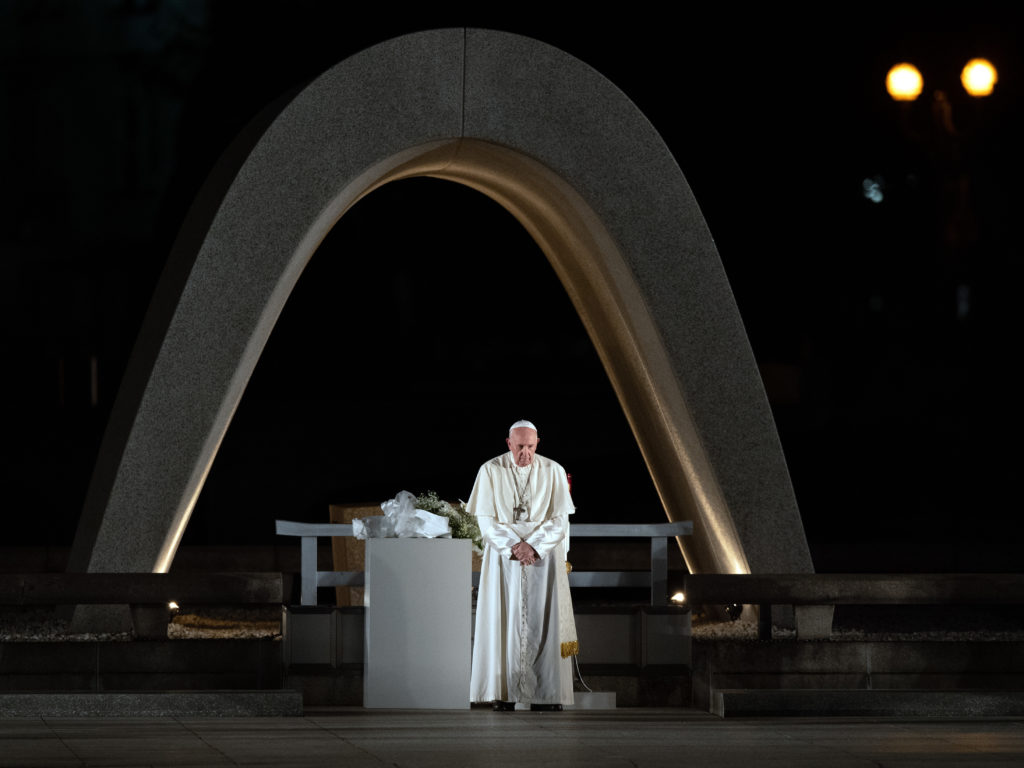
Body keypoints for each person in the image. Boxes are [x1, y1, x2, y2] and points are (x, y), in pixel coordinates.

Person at [468, 420, 578, 711]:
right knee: (504, 619)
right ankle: (503, 692)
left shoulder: (553, 470)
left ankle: (546, 695)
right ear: (508, 443)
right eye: (519, 447)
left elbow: (559, 520)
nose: (525, 453)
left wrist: (534, 546)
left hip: (542, 559)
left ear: (538, 443)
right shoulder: (490, 470)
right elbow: (485, 520)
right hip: (505, 559)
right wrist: (513, 546)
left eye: (530, 446)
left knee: (545, 620)